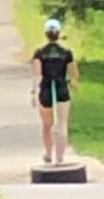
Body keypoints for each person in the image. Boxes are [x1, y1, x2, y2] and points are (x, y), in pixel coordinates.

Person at [31, 18, 79, 165]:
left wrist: (34, 92)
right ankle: (60, 157)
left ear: (46, 33)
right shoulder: (66, 52)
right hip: (61, 87)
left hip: (45, 88)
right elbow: (74, 73)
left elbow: (37, 74)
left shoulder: (40, 53)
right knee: (62, 123)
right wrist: (74, 84)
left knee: (47, 124)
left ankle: (48, 152)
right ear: (58, 33)